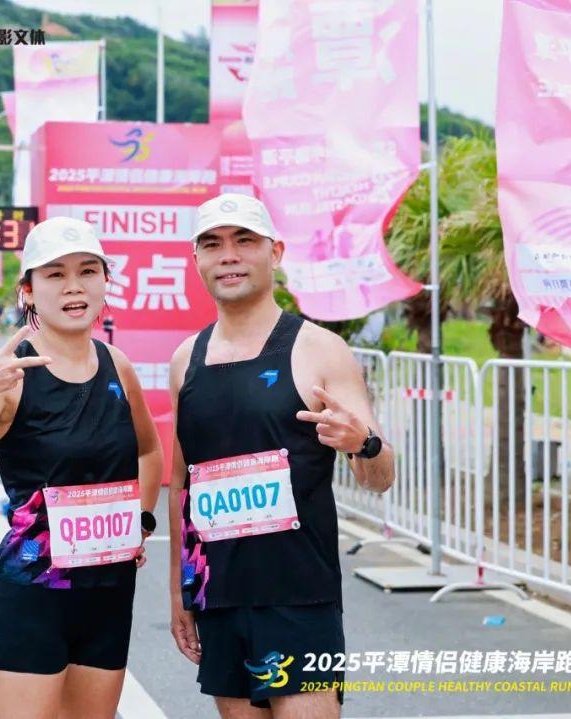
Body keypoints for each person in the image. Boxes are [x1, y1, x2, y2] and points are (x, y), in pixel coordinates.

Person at [0, 217, 163, 719]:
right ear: (28, 291)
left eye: (87, 271)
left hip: (110, 595)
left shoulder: (118, 366)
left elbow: (148, 451)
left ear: (105, 282)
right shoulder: (11, 376)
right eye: (55, 274)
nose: (74, 286)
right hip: (33, 598)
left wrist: (139, 521)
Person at [167, 194, 395, 719]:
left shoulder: (319, 349)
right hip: (219, 596)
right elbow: (182, 485)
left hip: (298, 598)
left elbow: (380, 476)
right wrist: (180, 591)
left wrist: (363, 443)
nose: (228, 255)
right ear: (197, 259)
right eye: (212, 244)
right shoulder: (186, 360)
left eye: (244, 241)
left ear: (275, 253)